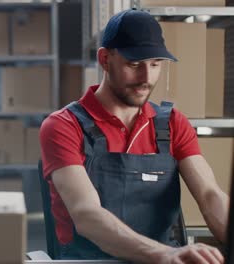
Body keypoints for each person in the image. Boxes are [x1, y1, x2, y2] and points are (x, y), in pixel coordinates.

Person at [39, 9, 229, 263]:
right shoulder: (63, 126)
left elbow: (209, 195)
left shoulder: (173, 124)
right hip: (90, 260)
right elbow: (87, 214)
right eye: (134, 64)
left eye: (155, 64)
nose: (146, 78)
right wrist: (165, 254)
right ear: (105, 59)